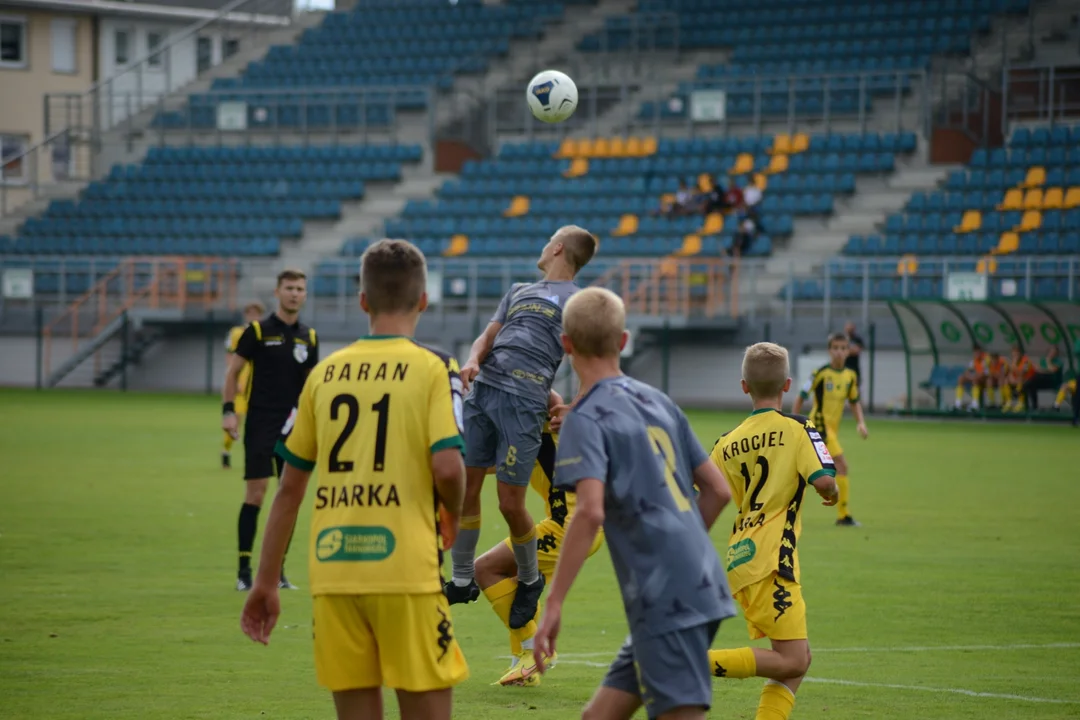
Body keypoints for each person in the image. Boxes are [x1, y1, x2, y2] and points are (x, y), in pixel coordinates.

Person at [240, 239, 469, 720]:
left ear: (362, 301)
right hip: (407, 570)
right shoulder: (435, 367)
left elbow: (289, 490)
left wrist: (265, 581)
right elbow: (449, 467)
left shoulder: (323, 375)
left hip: (335, 572)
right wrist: (451, 512)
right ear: (423, 301)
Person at [532, 287, 736, 720]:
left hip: (666, 598)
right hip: (698, 578)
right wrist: (685, 547)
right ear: (623, 341)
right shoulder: (659, 402)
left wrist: (553, 603)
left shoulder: (583, 418)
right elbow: (718, 491)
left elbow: (588, 511)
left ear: (566, 345)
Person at [446, 225, 599, 632]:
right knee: (467, 487)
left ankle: (530, 579)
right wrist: (474, 359)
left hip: (525, 400)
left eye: (548, 238)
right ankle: (461, 579)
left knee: (510, 504)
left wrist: (575, 407)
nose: (544, 243)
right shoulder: (518, 291)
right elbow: (488, 335)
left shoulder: (579, 302)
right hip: (484, 390)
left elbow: (591, 362)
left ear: (559, 247)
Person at [707, 342, 839, 720]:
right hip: (772, 561)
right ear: (788, 386)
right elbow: (824, 482)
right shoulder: (797, 427)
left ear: (744, 386)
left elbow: (709, 497)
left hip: (740, 558)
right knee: (793, 660)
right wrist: (831, 491)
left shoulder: (726, 443)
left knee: (800, 658)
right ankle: (690, 663)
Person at [473, 408, 606, 687]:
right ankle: (523, 667)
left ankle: (534, 650)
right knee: (515, 581)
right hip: (576, 524)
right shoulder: (524, 433)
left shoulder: (535, 421)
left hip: (568, 527)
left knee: (486, 569)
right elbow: (487, 464)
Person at [222, 269, 318, 591]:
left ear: (305, 294)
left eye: (300, 289)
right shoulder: (258, 332)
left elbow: (311, 385)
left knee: (289, 497)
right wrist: (228, 413)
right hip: (261, 425)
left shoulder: (310, 336)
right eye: (289, 288)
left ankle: (278, 572)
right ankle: (244, 571)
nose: (294, 293)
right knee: (257, 494)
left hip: (294, 428)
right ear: (277, 292)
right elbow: (233, 372)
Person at [792, 333, 868, 527]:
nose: (839, 352)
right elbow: (801, 396)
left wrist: (861, 423)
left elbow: (854, 401)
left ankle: (790, 505)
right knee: (841, 466)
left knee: (804, 470)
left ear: (848, 350)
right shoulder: (820, 373)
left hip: (832, 431)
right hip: (820, 428)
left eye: (843, 348)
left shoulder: (850, 376)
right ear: (829, 350)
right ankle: (843, 515)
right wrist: (793, 422)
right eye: (835, 348)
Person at [222, 302, 266, 469]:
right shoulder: (236, 333)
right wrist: (233, 380)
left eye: (257, 313)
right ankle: (226, 450)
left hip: (258, 383)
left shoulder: (264, 333)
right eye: (250, 313)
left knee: (259, 423)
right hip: (241, 382)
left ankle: (255, 457)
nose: (253, 316)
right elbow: (230, 357)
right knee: (236, 419)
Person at [1023, 346, 1062, 411]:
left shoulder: (1058, 361)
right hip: (1041, 379)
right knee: (1031, 385)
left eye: (1053, 352)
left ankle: (1024, 386)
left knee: (1034, 379)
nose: (1051, 354)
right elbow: (1038, 369)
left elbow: (1052, 370)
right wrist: (1044, 370)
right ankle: (1033, 406)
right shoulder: (1043, 359)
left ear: (1056, 354)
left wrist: (1048, 361)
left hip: (1052, 381)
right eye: (1050, 352)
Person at [953, 344, 988, 411]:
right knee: (961, 378)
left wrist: (974, 377)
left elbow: (984, 374)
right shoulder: (974, 361)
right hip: (975, 377)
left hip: (984, 379)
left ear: (981, 353)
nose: (976, 354)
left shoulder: (985, 360)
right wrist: (969, 376)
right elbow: (967, 371)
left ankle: (975, 404)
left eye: (978, 352)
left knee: (975, 380)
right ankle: (958, 403)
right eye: (975, 352)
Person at [1003, 345, 1036, 413]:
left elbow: (1022, 373)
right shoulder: (1011, 361)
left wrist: (1014, 365)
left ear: (1020, 354)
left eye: (1017, 353)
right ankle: (1009, 402)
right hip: (1018, 380)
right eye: (1014, 353)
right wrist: (1011, 377)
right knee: (1006, 380)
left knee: (1020, 379)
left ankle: (1021, 403)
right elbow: (1008, 373)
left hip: (1030, 380)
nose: (1015, 355)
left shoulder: (1025, 361)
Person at [843, 321, 864, 387]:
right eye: (848, 329)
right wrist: (850, 349)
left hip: (855, 369)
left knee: (855, 389)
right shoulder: (842, 339)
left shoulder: (857, 339)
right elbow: (842, 352)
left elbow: (857, 351)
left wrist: (846, 349)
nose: (849, 330)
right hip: (844, 368)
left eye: (851, 329)